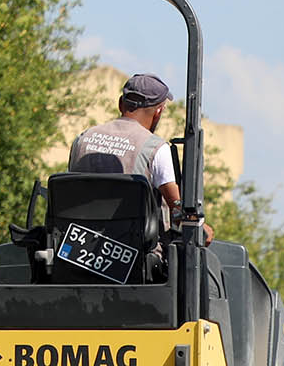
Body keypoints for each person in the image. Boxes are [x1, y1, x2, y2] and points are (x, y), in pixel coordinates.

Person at [67, 72, 208, 243]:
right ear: (158, 112)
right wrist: (199, 225)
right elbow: (177, 211)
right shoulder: (155, 149)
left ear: (121, 104)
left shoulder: (82, 139)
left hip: (76, 247)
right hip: (133, 255)